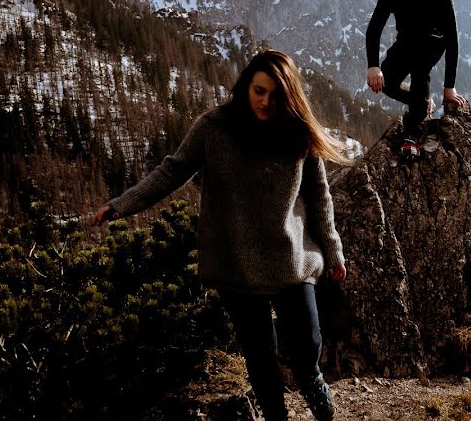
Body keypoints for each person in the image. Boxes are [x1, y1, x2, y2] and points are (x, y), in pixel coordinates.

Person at [93, 49, 348, 421]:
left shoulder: (298, 134)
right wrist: (122, 204)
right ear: (246, 87)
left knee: (308, 342)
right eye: (259, 91)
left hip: (291, 259)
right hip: (235, 265)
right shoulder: (214, 128)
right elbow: (172, 171)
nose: (265, 101)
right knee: (260, 357)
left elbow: (319, 197)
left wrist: (334, 251)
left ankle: (311, 380)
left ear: (290, 96)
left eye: (276, 95)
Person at [365, 0, 468, 159]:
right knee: (385, 82)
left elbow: (452, 41)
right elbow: (375, 26)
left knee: (420, 71)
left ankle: (411, 134)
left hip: (432, 42)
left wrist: (449, 87)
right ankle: (421, 103)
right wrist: (373, 66)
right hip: (405, 40)